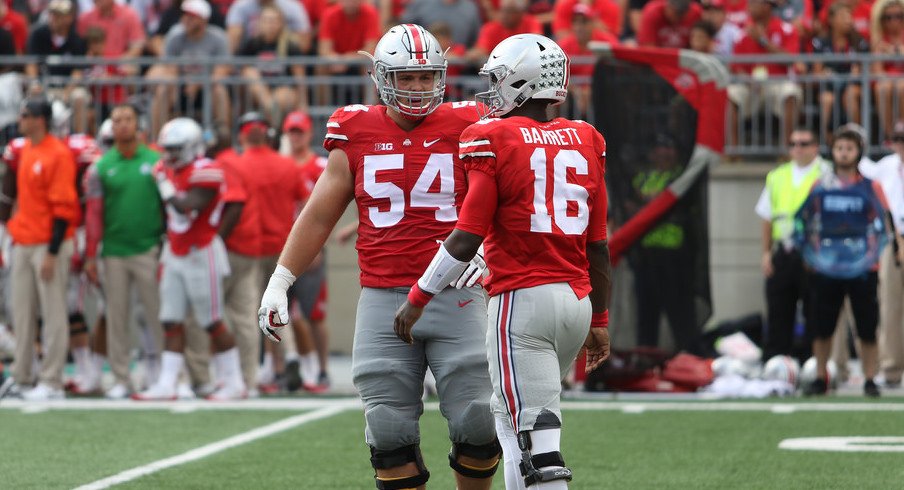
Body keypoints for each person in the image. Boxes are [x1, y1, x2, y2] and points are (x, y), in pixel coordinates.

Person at [259, 24, 501, 490]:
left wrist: (489, 249)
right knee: (387, 429)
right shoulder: (355, 129)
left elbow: (507, 200)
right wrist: (280, 280)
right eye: (405, 78)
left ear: (442, 76)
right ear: (381, 78)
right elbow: (318, 215)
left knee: (476, 419)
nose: (416, 88)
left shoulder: (471, 123)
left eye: (426, 77)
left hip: (458, 292)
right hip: (383, 295)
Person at [394, 33, 611, 489]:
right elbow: (599, 245)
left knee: (538, 437)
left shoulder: (491, 136)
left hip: (522, 301)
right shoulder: (586, 138)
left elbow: (469, 232)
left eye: (498, 79)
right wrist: (602, 316)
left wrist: (418, 295)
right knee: (511, 422)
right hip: (577, 301)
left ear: (521, 82)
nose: (491, 90)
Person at [133, 117, 246, 401]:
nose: (168, 154)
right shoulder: (167, 169)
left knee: (212, 321)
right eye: (167, 148)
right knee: (170, 319)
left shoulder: (206, 170)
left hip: (201, 251)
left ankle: (234, 383)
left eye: (175, 148)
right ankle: (167, 383)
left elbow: (185, 207)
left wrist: (164, 185)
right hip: (175, 250)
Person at [795, 127, 889, 397]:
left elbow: (883, 223)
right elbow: (805, 222)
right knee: (822, 326)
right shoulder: (820, 186)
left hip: (863, 268)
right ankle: (821, 377)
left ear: (859, 152)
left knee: (867, 326)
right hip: (826, 266)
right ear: (832, 151)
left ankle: (870, 379)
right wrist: (811, 255)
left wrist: (875, 254)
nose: (844, 153)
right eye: (839, 148)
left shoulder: (872, 187)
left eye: (850, 148)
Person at [83, 103, 166, 399]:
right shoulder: (101, 167)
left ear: (137, 124)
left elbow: (167, 206)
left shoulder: (156, 161)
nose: (122, 125)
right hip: (114, 251)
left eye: (128, 119)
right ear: (111, 127)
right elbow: (93, 214)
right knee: (116, 317)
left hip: (148, 248)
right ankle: (121, 378)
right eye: (116, 120)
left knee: (157, 314)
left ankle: (162, 374)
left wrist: (164, 246)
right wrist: (91, 255)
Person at [0, 96, 80, 401]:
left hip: (48, 242)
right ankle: (22, 376)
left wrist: (52, 251)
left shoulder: (57, 154)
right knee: (21, 312)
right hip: (24, 239)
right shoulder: (26, 150)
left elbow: (64, 208)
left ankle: (52, 379)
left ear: (40, 119)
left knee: (53, 312)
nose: (20, 119)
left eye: (25, 114)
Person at [754, 127, 828, 362]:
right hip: (784, 250)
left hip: (813, 254)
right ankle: (776, 361)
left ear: (815, 147)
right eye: (793, 143)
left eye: (804, 143)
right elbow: (767, 216)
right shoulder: (778, 176)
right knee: (778, 310)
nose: (797, 148)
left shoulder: (826, 173)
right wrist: (766, 253)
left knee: (813, 312)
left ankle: (811, 364)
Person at [282, 110, 331, 392]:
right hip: (282, 247)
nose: (295, 137)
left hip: (310, 247)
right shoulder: (283, 165)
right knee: (281, 312)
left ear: (308, 133)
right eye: (291, 131)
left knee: (314, 313)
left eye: (299, 131)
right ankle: (284, 368)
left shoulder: (319, 165)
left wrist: (316, 246)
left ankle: (321, 369)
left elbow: (325, 211)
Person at [868, 121, 904, 387]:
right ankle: (891, 368)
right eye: (897, 138)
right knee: (890, 306)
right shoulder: (884, 167)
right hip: (892, 240)